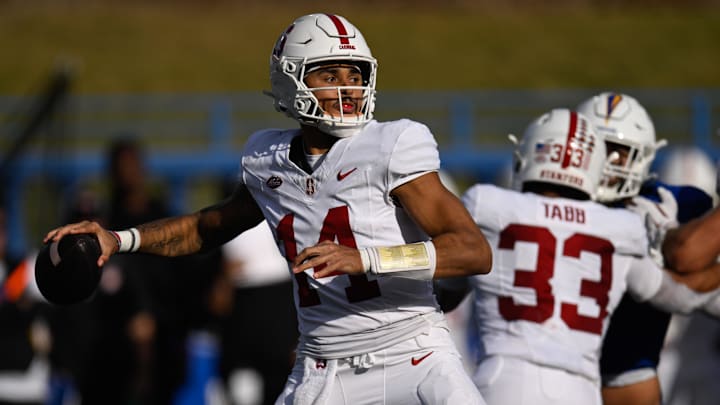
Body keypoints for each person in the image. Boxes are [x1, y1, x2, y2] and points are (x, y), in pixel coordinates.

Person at [45, 13, 493, 405]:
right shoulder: (267, 162)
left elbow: (473, 250)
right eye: (330, 75)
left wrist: (366, 259)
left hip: (413, 350)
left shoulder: (391, 145)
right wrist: (117, 238)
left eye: (354, 74)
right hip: (324, 365)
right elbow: (205, 228)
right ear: (291, 79)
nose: (348, 88)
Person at [434, 108, 720, 405]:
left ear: (528, 156)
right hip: (579, 389)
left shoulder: (488, 206)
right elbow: (675, 295)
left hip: (505, 380)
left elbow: (447, 292)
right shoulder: (620, 228)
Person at [575, 92, 715, 405]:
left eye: (618, 152)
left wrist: (669, 238)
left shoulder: (670, 206)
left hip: (628, 380)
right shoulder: (543, 205)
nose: (608, 164)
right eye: (598, 149)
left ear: (642, 157)